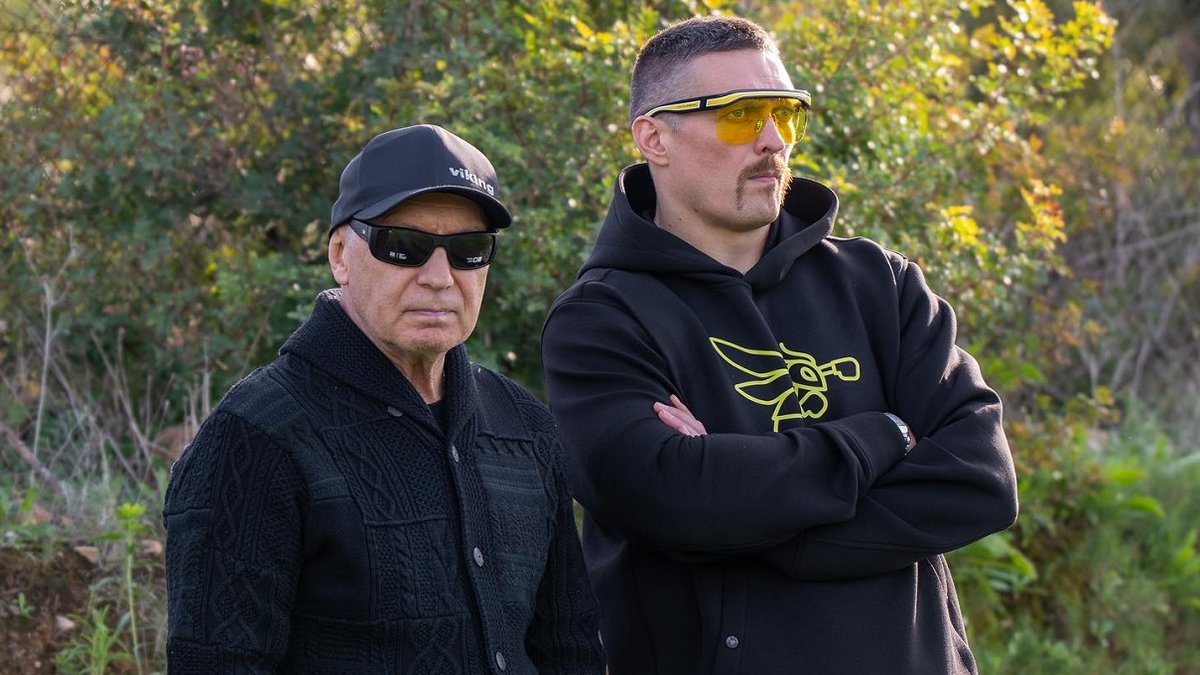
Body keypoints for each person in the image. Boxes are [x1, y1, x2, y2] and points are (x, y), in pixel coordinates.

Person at [540, 15, 1018, 675]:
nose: (771, 141)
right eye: (740, 115)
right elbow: (669, 498)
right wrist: (881, 436)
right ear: (654, 137)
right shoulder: (601, 318)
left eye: (785, 114)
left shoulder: (880, 284)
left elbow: (981, 480)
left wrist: (748, 520)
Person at [164, 124, 605, 674]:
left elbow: (569, 649)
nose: (440, 277)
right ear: (340, 255)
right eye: (405, 246)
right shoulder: (255, 436)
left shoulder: (525, 426)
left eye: (468, 250)